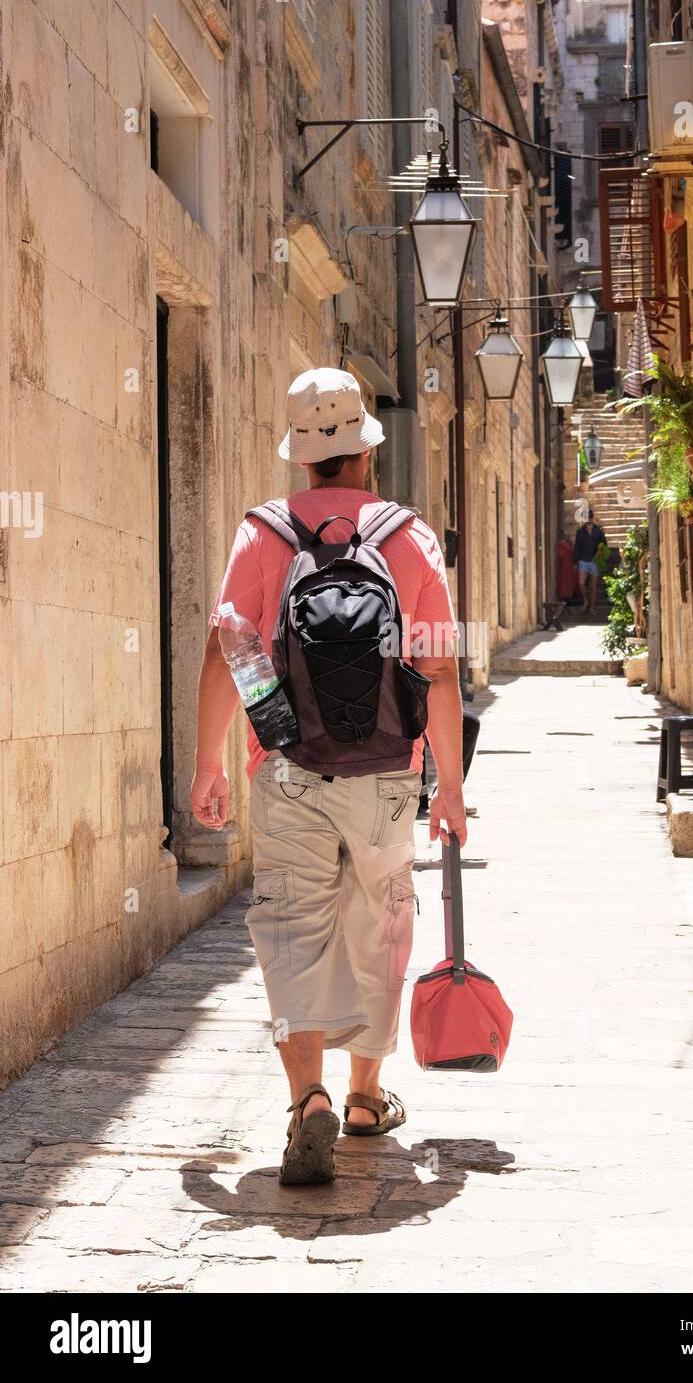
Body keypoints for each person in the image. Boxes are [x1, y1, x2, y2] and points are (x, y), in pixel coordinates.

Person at [191, 368, 466, 1184]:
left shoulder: (264, 533)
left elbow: (226, 650)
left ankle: (305, 1096)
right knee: (379, 920)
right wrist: (448, 787)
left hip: (285, 765)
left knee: (289, 927)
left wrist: (211, 760)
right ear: (366, 452)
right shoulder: (409, 536)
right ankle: (364, 1098)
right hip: (388, 771)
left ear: (301, 458)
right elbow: (440, 672)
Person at [572, 508, 607, 615]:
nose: (588, 520)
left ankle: (592, 607)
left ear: (592, 517)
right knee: (581, 583)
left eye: (590, 517)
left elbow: (604, 544)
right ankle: (586, 600)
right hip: (583, 559)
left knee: (593, 586)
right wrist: (575, 561)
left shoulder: (598, 531)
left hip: (595, 561)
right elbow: (577, 547)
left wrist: (600, 552)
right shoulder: (580, 532)